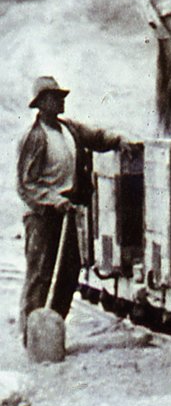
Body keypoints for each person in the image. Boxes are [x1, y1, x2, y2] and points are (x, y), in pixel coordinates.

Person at [16, 75, 127, 352]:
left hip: (68, 214)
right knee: (41, 275)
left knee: (68, 273)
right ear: (41, 104)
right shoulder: (34, 138)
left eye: (62, 96)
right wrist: (53, 200)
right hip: (43, 217)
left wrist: (118, 140)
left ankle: (54, 333)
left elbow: (96, 137)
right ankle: (32, 339)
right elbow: (26, 184)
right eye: (56, 97)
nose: (62, 100)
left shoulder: (69, 130)